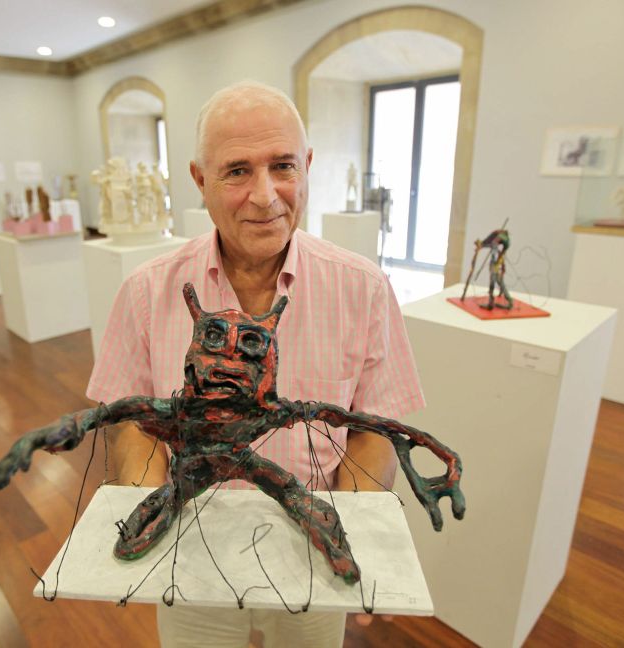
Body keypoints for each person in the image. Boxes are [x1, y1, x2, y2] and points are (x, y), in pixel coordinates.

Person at [87, 80, 423, 648]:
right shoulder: (147, 291)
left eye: (284, 167)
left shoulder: (362, 287)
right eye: (237, 171)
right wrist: (146, 515)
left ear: (308, 165)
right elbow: (133, 422)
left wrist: (360, 530)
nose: (266, 195)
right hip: (189, 553)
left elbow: (375, 425)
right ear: (200, 179)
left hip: (310, 555)